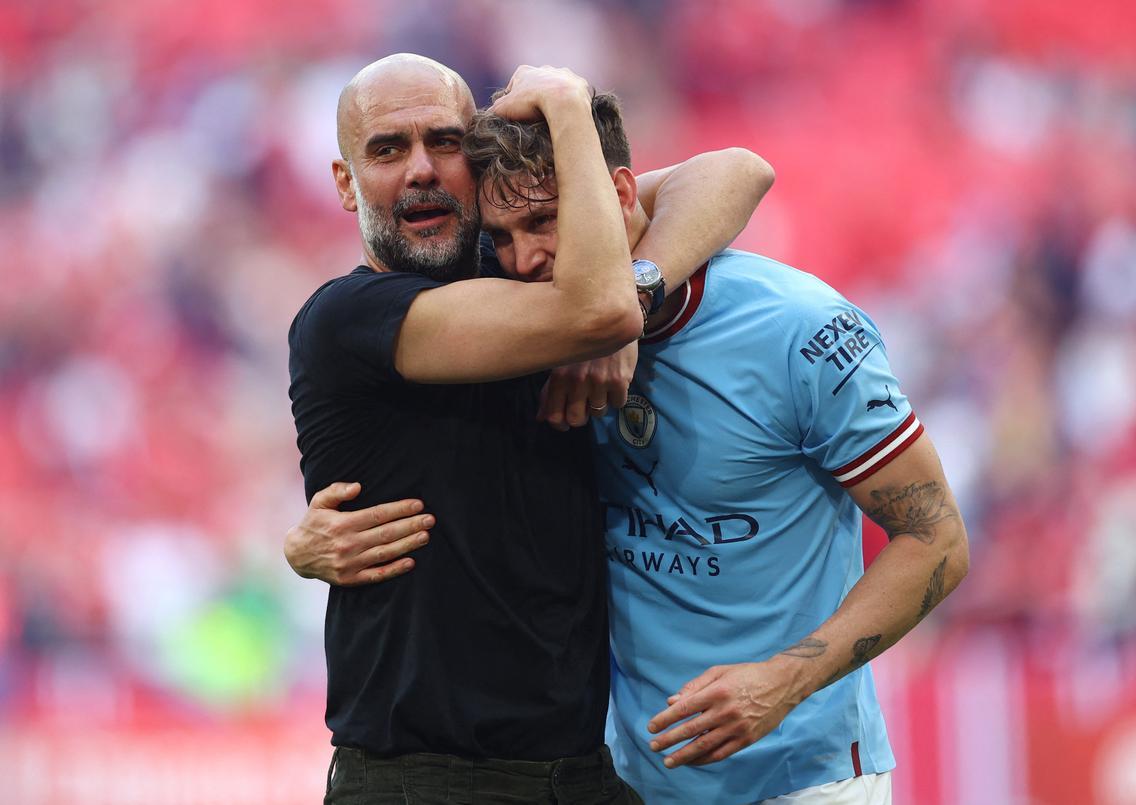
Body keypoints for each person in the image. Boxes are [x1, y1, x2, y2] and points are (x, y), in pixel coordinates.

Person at [293, 87, 969, 804]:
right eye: (504, 236)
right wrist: (300, 543)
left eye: (547, 222)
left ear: (611, 195)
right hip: (626, 779)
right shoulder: (509, 316)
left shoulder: (801, 331)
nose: (524, 259)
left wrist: (786, 678)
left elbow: (938, 540)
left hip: (802, 776)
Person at [288, 54, 774, 805]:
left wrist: (635, 284)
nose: (421, 168)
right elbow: (594, 311)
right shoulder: (347, 319)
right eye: (387, 149)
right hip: (424, 779)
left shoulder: (519, 259)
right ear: (346, 182)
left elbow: (736, 172)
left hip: (574, 773)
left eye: (444, 142)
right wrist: (568, 108)